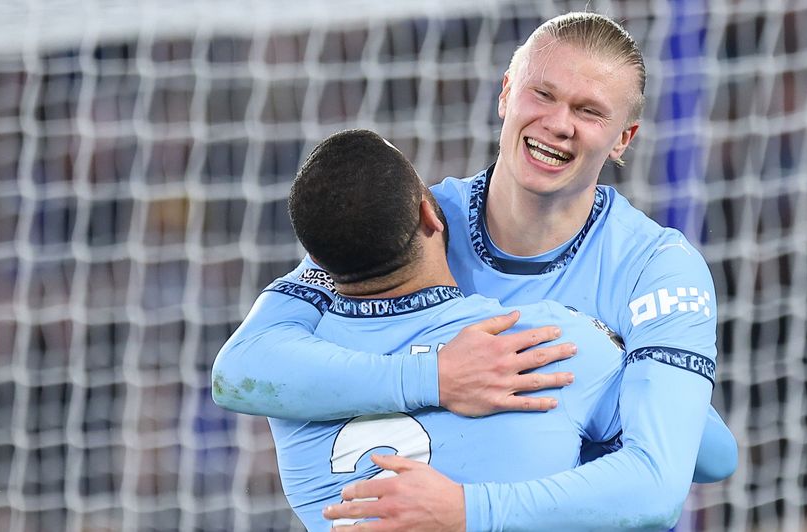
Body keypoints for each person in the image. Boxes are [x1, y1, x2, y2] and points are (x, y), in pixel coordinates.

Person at [213, 11, 736, 530]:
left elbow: (674, 476)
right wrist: (438, 377)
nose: (559, 123)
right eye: (543, 94)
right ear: (506, 93)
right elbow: (237, 373)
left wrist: (465, 510)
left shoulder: (657, 268)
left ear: (623, 138)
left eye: (589, 111)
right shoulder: (410, 222)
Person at [274, 127, 657, 531]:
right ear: (429, 215)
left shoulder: (293, 389)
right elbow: (682, 465)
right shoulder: (547, 343)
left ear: (316, 259)